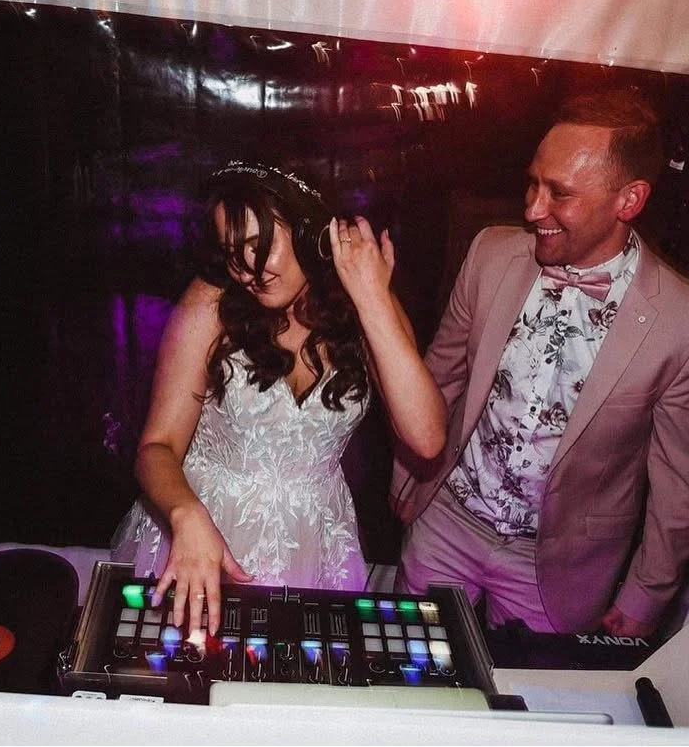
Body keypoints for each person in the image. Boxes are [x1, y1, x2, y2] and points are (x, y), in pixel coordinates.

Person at [392, 90, 689, 638]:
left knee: (531, 706)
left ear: (629, 200)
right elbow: (442, 375)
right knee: (405, 669)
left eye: (560, 193)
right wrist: (409, 477)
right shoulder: (490, 254)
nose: (532, 209)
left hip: (559, 566)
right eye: (534, 182)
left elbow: (681, 482)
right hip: (448, 519)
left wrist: (648, 592)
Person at [113, 160, 446, 637]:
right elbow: (156, 447)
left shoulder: (367, 301)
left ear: (311, 233)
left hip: (314, 544)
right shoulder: (211, 304)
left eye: (259, 245)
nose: (247, 269)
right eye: (232, 252)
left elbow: (428, 437)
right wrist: (187, 517)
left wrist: (371, 296)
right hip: (203, 528)